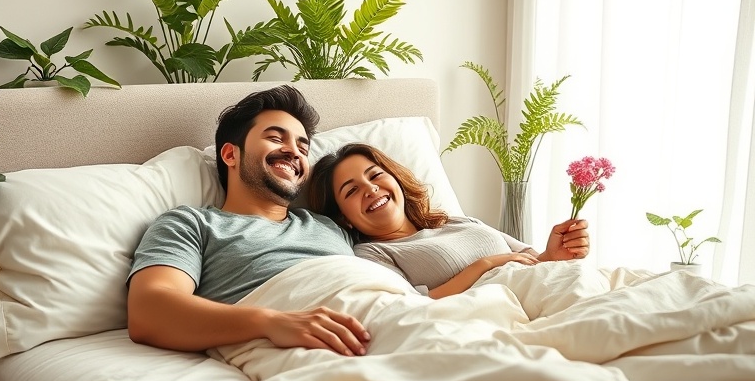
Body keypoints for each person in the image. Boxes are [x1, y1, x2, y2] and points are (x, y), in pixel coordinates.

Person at [126, 85, 371, 357]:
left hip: (380, 317)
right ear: (231, 154)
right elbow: (148, 312)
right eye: (277, 138)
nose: (294, 152)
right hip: (314, 347)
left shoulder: (331, 225)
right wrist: (270, 322)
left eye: (303, 147)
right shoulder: (191, 224)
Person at [306, 143, 590, 299]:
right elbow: (410, 306)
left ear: (395, 179)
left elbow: (530, 261)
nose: (370, 189)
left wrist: (554, 254)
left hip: (545, 293)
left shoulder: (455, 221)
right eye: (352, 190)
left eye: (375, 175)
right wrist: (485, 264)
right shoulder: (371, 254)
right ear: (344, 218)